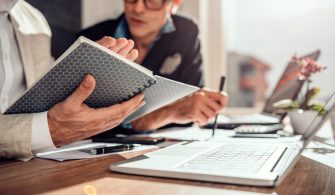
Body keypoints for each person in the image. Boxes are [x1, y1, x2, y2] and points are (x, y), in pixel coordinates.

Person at [0, 0, 144, 161]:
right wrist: (52, 130)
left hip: (35, 164)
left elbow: (43, 96)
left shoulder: (34, 21)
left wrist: (78, 70)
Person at [80, 0, 228, 131]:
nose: (137, 8)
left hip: (165, 145)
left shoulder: (186, 31)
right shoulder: (91, 39)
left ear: (175, 2)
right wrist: (170, 112)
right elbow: (83, 120)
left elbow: (190, 109)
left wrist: (197, 107)